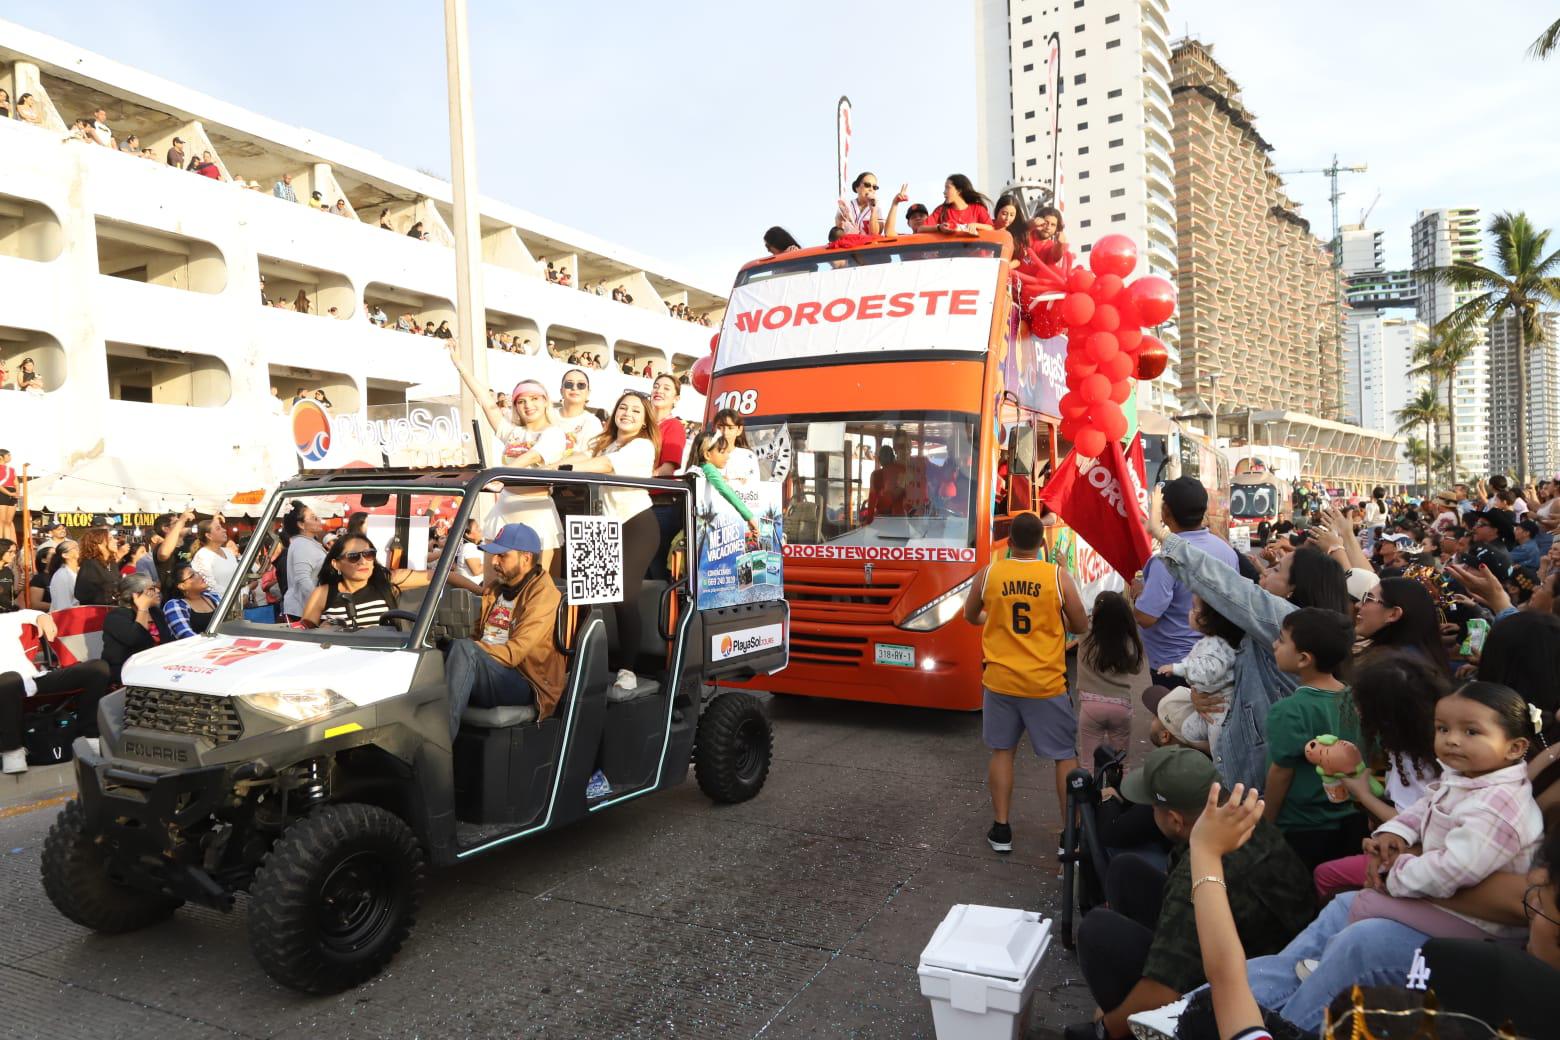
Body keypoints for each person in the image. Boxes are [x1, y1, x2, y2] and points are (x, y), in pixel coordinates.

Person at [1063, 747, 1316, 1040]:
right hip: (1271, 946)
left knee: (1097, 930)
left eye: (1152, 807)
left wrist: (1105, 1026)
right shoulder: (1241, 815)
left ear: (1175, 820)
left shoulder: (1194, 878)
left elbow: (1164, 991)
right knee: (1125, 871)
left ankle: (1129, 1031)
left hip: (1246, 990)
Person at [1144, 486, 1351, 791]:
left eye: (1277, 569)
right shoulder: (1307, 624)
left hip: (1252, 775)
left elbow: (1227, 586)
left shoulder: (1285, 620)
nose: (1265, 573)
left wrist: (1162, 535)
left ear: (1293, 590)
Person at [961, 511, 1089, 853]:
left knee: (1002, 751)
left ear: (1010, 543)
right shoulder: (1057, 577)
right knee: (1064, 756)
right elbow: (1081, 624)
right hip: (1045, 683)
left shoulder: (989, 574)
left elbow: (971, 615)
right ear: (1043, 543)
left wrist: (994, 617)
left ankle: (1001, 829)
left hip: (1000, 681)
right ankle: (1069, 836)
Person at [1311, 653, 1447, 901]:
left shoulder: (1417, 759)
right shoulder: (1413, 741)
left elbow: (1412, 822)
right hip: (1404, 844)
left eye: (1360, 703)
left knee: (1325, 874)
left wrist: (1363, 794)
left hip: (1421, 854)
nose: (1355, 709)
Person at [558, 393, 662, 693]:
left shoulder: (641, 445)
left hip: (636, 524)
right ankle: (582, 662)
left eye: (635, 410)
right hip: (602, 525)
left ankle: (628, 669)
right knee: (585, 597)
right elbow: (581, 457)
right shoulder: (604, 441)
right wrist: (551, 463)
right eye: (623, 407)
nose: (627, 413)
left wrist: (564, 469)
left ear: (644, 420)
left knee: (624, 596)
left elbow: (602, 466)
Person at [1262, 607, 1365, 870]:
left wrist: (1267, 824)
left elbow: (1280, 773)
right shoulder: (1357, 700)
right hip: (1352, 819)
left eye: (1282, 640)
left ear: (1304, 659)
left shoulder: (1289, 710)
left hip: (1301, 825)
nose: (1275, 644)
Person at [444, 523, 567, 740]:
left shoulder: (544, 595)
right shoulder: (496, 589)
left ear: (526, 558)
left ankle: (439, 749)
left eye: (502, 556)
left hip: (525, 680)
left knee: (464, 650)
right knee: (437, 653)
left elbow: (514, 653)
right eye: (494, 555)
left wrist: (471, 649)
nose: (494, 562)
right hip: (493, 668)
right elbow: (478, 635)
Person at [1133, 477, 1240, 672]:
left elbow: (1145, 618)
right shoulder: (1227, 553)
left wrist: (1138, 593)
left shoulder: (1165, 561)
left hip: (1173, 665)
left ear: (1165, 513)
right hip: (1216, 662)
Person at [1, 609, 113, 772]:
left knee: (97, 668)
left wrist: (43, 617)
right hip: (5, 686)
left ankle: (90, 738)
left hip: (34, 680)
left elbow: (28, 614)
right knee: (8, 679)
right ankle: (12, 751)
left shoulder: (5, 620)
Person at [301, 532, 478, 630]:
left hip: (383, 659)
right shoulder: (322, 593)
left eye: (369, 554)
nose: (363, 561)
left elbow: (441, 575)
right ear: (336, 563)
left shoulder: (387, 580)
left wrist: (483, 593)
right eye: (354, 556)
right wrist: (323, 629)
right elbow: (304, 633)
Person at [1074, 590, 1150, 768]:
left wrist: (1065, 571)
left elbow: (1076, 604)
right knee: (1121, 762)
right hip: (1120, 707)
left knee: (1089, 763)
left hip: (1090, 706)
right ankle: (1119, 793)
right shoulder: (1127, 639)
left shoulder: (1085, 633)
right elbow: (1137, 669)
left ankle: (1092, 795)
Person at [1163, 596, 1243, 753]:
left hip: (1221, 707)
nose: (1190, 612)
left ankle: (1221, 767)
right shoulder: (1210, 641)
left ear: (1208, 619)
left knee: (1219, 750)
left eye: (1194, 608)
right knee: (1188, 731)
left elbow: (1209, 670)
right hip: (1207, 702)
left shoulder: (1218, 645)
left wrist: (1179, 668)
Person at [1353, 576, 1450, 674]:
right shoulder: (1413, 659)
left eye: (1369, 599)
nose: (1357, 605)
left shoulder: (1391, 671)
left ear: (1394, 614)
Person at [645, 374, 687, 581]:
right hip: (637, 501)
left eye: (666, 388)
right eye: (656, 386)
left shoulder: (673, 426)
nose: (659, 390)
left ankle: (660, 611)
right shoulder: (642, 425)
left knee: (655, 564)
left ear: (676, 399)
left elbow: (667, 469)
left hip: (660, 504)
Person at [101, 574, 172, 685]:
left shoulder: (155, 612)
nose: (158, 590)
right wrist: (142, 608)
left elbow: (167, 641)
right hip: (126, 670)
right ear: (135, 595)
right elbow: (137, 640)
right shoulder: (116, 617)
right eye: (151, 589)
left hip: (155, 666)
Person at [281, 504, 326, 620]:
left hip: (305, 607)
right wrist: (319, 603)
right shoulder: (302, 544)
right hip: (303, 610)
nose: (319, 520)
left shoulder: (307, 542)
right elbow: (302, 579)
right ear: (301, 524)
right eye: (314, 518)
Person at [161, 562, 221, 639]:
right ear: (182, 586)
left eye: (197, 573)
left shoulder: (213, 597)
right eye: (192, 575)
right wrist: (215, 638)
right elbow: (187, 636)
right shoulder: (174, 605)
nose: (199, 576)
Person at [555, 369, 605, 456]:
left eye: (581, 385)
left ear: (588, 392)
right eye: (569, 384)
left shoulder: (593, 423)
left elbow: (589, 457)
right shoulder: (546, 415)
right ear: (561, 391)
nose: (574, 388)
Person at [925, 174, 993, 234]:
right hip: (949, 248)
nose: (944, 192)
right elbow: (921, 228)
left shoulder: (978, 208)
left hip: (973, 248)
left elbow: (991, 228)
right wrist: (939, 228)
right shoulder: (941, 210)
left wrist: (975, 225)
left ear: (959, 191)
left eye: (948, 188)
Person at [710, 409, 760, 486]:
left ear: (739, 430)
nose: (725, 432)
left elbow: (754, 485)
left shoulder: (748, 456)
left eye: (730, 428)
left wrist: (733, 482)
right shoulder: (707, 454)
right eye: (720, 428)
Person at [190, 516, 239, 594]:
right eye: (218, 528)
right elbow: (210, 585)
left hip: (239, 598)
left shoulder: (229, 552)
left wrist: (243, 592)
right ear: (208, 536)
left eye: (222, 527)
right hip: (220, 602)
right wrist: (234, 595)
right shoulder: (202, 556)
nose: (224, 530)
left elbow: (239, 576)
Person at [73, 527, 120, 606]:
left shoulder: (111, 562)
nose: (116, 541)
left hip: (113, 609)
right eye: (110, 539)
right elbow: (81, 594)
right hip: (97, 612)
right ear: (98, 543)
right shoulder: (90, 564)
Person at [835, 172, 883, 236]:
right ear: (857, 187)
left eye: (874, 187)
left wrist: (873, 210)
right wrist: (839, 218)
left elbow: (875, 234)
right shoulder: (847, 205)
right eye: (867, 185)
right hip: (850, 244)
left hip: (869, 245)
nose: (871, 189)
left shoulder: (878, 208)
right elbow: (838, 232)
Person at [47, 539, 80, 610]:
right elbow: (62, 606)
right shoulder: (61, 576)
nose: (79, 549)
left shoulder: (80, 571)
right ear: (65, 555)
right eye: (75, 547)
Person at [0, 449, 18, 541]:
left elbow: (16, 482)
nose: (10, 457)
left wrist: (17, 493)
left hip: (12, 492)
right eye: (8, 455)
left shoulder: (12, 469)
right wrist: (9, 493)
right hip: (2, 493)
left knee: (8, 522)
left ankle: (7, 542)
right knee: (1, 521)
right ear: (1, 457)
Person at [0, 540, 17, 613]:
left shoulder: (8, 571)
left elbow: (10, 597)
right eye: (10, 552)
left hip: (7, 613)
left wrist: (19, 590)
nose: (14, 555)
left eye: (15, 552)